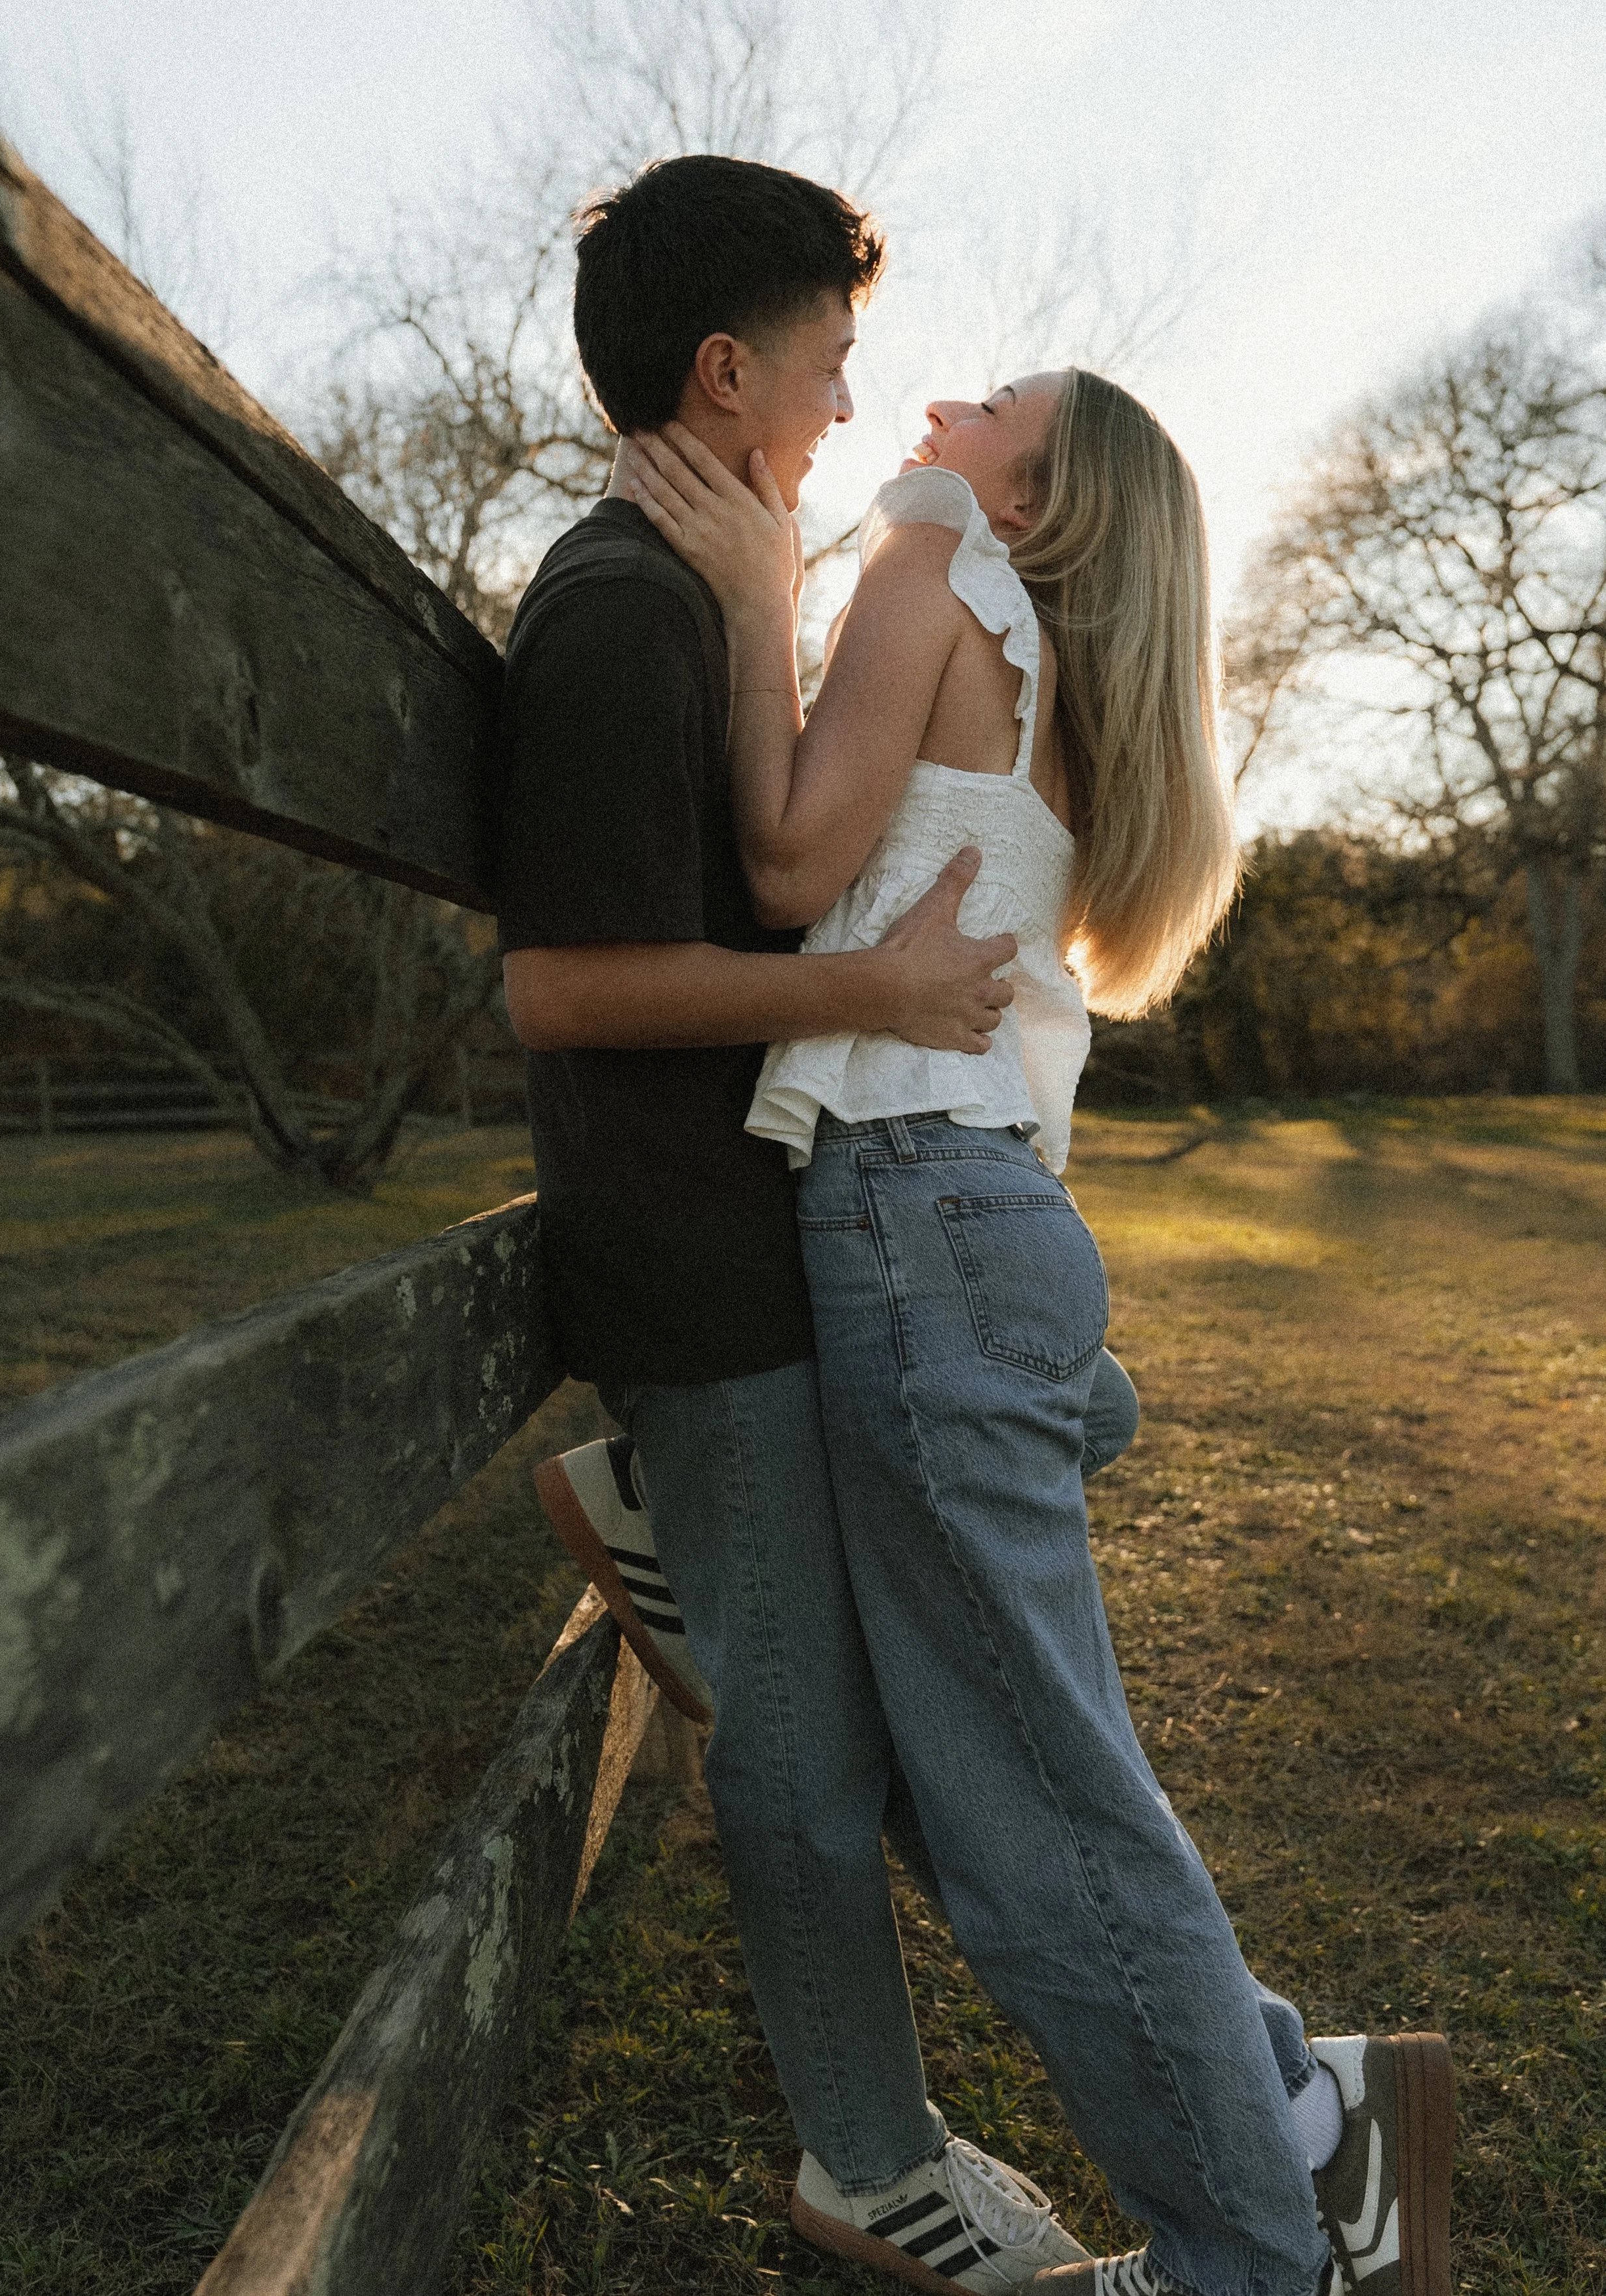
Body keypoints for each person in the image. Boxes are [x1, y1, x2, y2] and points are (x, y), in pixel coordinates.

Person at [599, 363, 1456, 2296]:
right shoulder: (1067, 674)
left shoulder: (928, 550)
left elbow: (790, 870)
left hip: (916, 1224)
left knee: (1038, 1796)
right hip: (975, 1232)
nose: (933, 400)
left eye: (987, 402)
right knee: (1008, 1764)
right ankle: (1307, 2123)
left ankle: (1258, 2254)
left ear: (1038, 500)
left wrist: (756, 593)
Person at [494, 152, 1102, 2289]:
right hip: (690, 1254)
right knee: (807, 1742)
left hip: (765, 1239)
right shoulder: (620, 609)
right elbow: (557, 989)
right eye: (831, 367)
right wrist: (870, 989)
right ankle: (865, 2158)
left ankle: (660, 1509)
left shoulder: (696, 591)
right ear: (730, 368)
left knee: (898, 1641)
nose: (849, 412)